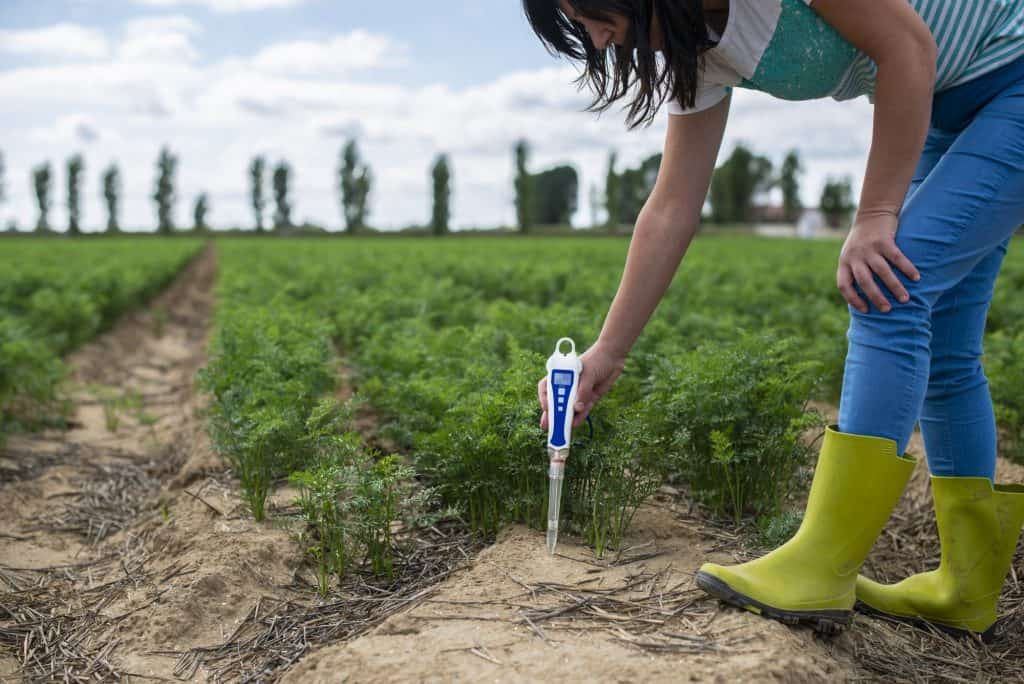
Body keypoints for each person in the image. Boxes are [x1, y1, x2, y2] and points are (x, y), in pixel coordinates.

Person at [525, 0, 1024, 640]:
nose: (594, 38)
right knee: (946, 340)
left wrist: (875, 215)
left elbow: (906, 44)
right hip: (950, 106)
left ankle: (822, 564)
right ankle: (968, 586)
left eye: (592, 11)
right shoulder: (693, 51)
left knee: (887, 289)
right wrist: (608, 351)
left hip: (1010, 76)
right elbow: (672, 206)